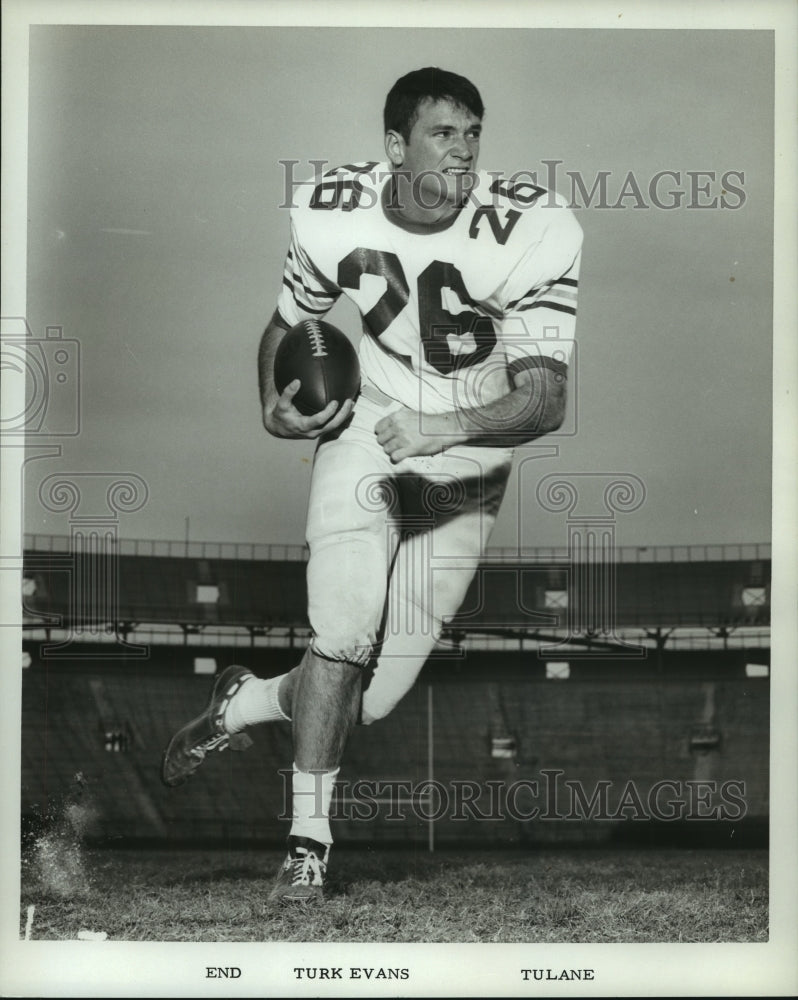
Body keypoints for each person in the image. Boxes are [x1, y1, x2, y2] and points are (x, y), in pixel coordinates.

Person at [162, 67, 583, 903]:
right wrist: (271, 406)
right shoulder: (329, 208)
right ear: (394, 145)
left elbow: (545, 399)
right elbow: (290, 323)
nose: (463, 153)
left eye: (473, 134)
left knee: (372, 697)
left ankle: (242, 705)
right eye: (442, 134)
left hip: (465, 462)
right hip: (369, 426)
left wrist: (448, 427)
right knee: (345, 630)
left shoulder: (535, 226)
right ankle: (308, 845)